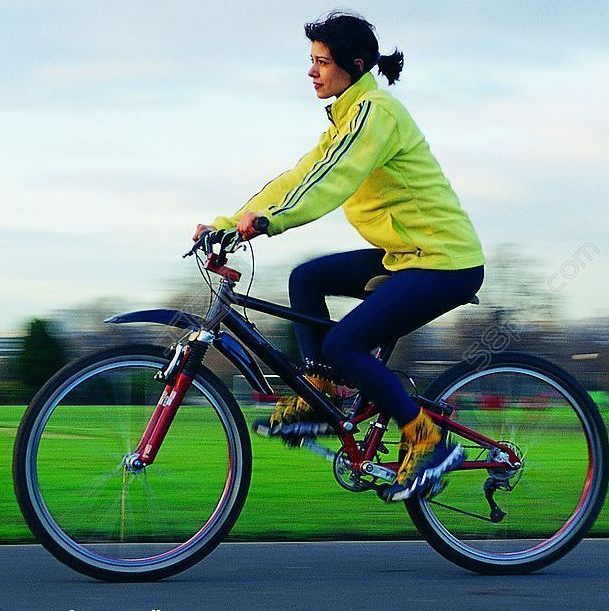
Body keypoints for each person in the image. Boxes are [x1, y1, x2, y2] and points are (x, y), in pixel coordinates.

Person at [193, 11, 484, 501]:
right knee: (306, 279)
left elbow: (331, 180)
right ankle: (318, 394)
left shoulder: (375, 114)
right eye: (311, 61)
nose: (311, 71)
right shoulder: (345, 119)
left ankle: (425, 436)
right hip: (404, 255)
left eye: (322, 62)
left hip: (443, 260)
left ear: (354, 64)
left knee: (343, 344)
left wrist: (271, 222)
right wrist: (227, 224)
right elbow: (296, 177)